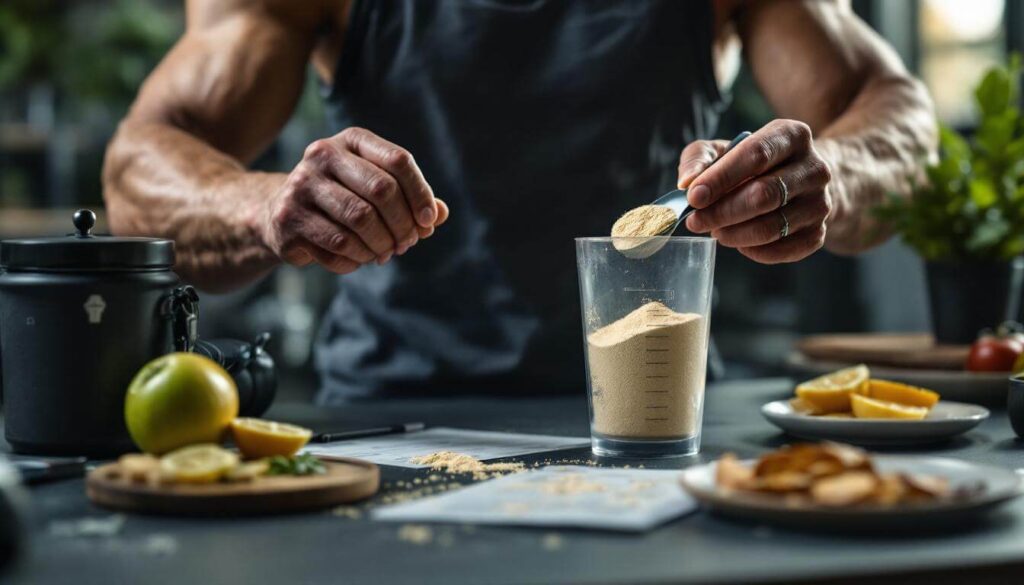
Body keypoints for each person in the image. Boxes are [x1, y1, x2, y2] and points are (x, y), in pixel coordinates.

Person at [103, 0, 936, 401]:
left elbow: (899, 118)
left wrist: (823, 169)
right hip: (391, 419)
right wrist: (265, 202)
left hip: (654, 418)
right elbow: (137, 165)